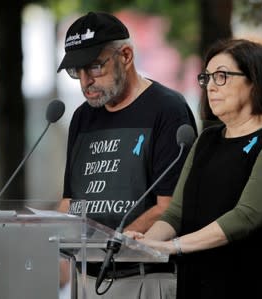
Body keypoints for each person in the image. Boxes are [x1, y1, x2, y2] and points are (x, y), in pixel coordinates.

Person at [126, 38, 262, 299]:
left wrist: (170, 247)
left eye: (221, 76)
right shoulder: (206, 140)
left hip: (249, 285)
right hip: (194, 284)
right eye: (207, 78)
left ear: (254, 80)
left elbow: (245, 217)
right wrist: (146, 245)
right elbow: (176, 214)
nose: (210, 87)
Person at [56, 11, 197, 299]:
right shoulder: (83, 117)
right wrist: (38, 235)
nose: (85, 82)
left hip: (140, 277)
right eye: (76, 71)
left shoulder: (167, 109)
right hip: (84, 277)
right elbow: (72, 201)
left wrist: (111, 246)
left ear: (127, 56)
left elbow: (169, 207)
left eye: (94, 67)